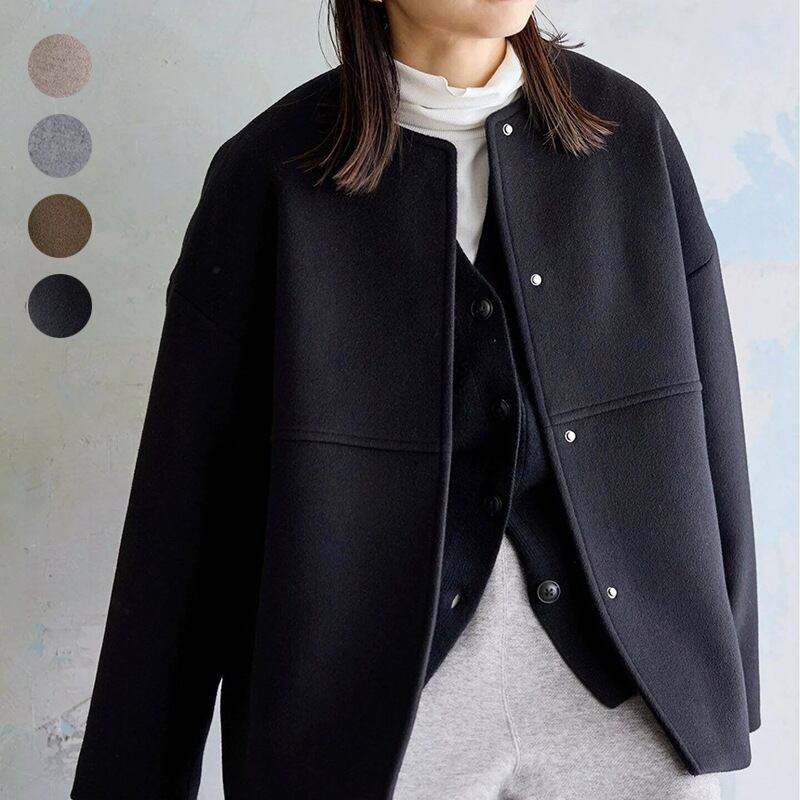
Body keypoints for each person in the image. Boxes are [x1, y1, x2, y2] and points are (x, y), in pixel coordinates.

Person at [70, 2, 760, 799]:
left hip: (631, 694)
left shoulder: (627, 134)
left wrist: (724, 681)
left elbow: (711, 425)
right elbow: (186, 510)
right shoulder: (271, 176)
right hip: (366, 724)